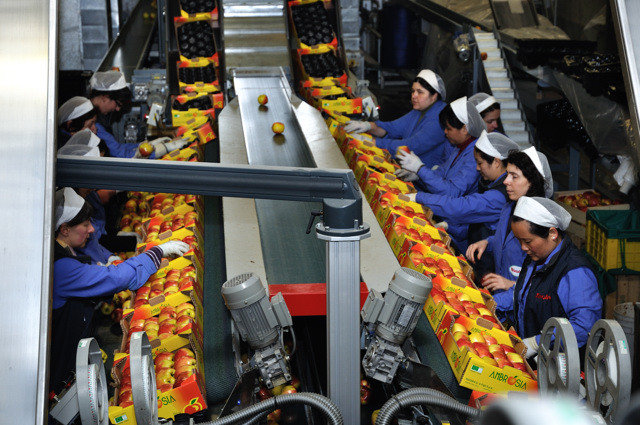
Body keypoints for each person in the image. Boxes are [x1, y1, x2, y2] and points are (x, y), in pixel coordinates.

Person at [50, 187, 189, 394]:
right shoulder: (61, 267)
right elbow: (115, 278)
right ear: (64, 229)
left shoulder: (64, 252)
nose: (91, 229)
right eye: (85, 224)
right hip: (62, 368)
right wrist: (157, 252)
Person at [507, 196, 601, 361]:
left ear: (552, 233)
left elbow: (584, 326)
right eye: (519, 241)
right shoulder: (536, 257)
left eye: (527, 241)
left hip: (563, 367)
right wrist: (488, 302)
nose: (523, 248)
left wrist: (537, 342)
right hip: (534, 361)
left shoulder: (575, 272)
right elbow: (523, 293)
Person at [466, 146, 553, 309]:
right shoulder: (509, 208)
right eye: (507, 175)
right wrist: (487, 242)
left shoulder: (542, 227)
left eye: (514, 176)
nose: (506, 181)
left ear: (533, 181)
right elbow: (506, 239)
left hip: (520, 306)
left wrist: (511, 284)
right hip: (502, 301)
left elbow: (545, 289)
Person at [406, 131, 520, 253]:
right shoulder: (493, 185)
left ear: (496, 162)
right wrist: (450, 226)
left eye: (480, 163)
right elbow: (479, 220)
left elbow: (460, 206)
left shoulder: (498, 195)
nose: (477, 168)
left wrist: (419, 197)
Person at [344, 69, 448, 169]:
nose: (414, 96)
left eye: (420, 92)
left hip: (424, 175)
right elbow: (394, 128)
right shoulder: (419, 110)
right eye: (413, 91)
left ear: (434, 96)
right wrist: (369, 126)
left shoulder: (439, 119)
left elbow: (412, 146)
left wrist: (372, 142)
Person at [88, 71, 189, 158]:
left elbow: (118, 147)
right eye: (118, 104)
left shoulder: (94, 116)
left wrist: (148, 145)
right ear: (105, 98)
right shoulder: (91, 124)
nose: (117, 109)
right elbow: (122, 155)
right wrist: (166, 148)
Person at [399, 96, 485, 198]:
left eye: (449, 129)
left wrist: (420, 169)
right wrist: (418, 176)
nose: (445, 132)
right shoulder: (460, 147)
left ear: (464, 129)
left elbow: (452, 192)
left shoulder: (475, 156)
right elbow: (441, 174)